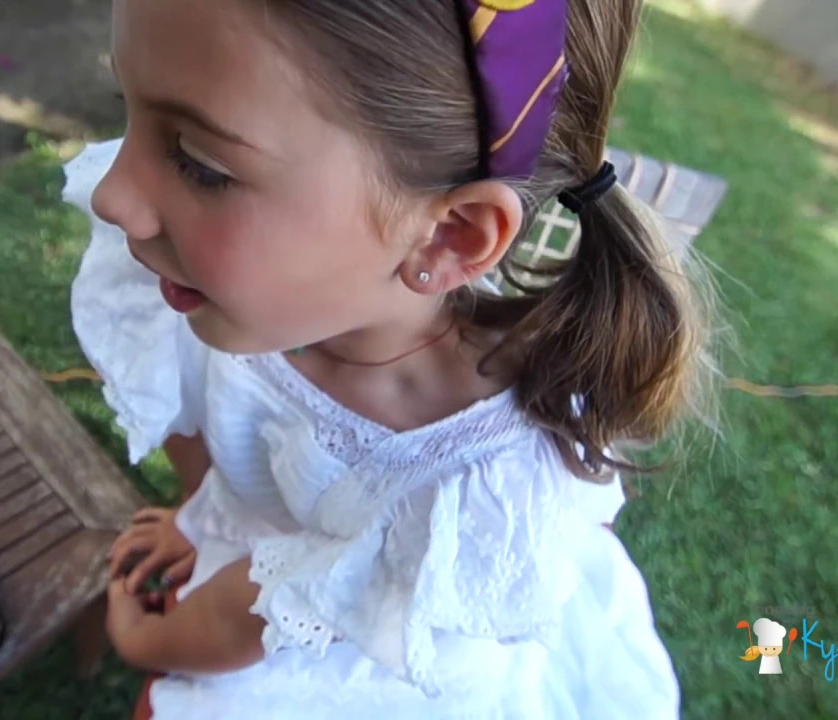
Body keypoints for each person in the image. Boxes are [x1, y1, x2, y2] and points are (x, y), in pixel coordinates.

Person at [63, 0, 716, 717]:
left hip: (339, 667)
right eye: (126, 106)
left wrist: (140, 639)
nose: (113, 194)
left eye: (200, 163)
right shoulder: (209, 286)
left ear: (450, 238)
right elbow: (202, 421)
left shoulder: (478, 482)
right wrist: (204, 524)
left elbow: (242, 623)